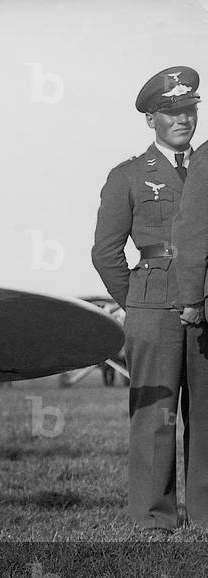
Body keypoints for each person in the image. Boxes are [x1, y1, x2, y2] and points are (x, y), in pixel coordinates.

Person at [91, 65, 208, 534]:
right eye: (172, 112)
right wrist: (138, 299)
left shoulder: (206, 166)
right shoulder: (129, 176)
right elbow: (105, 252)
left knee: (204, 415)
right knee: (155, 415)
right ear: (151, 120)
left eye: (190, 110)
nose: (184, 120)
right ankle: (154, 519)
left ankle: (204, 516)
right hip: (152, 309)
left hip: (205, 302)